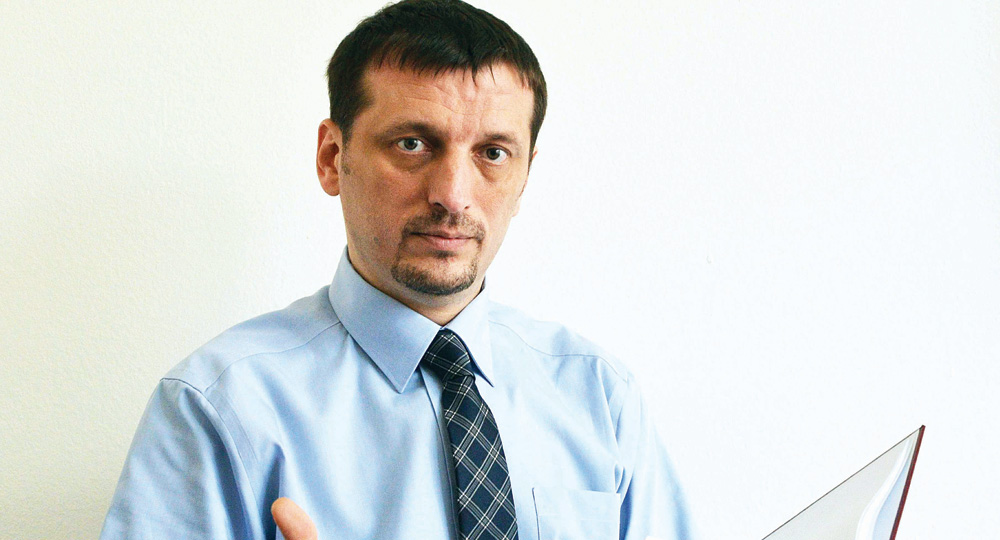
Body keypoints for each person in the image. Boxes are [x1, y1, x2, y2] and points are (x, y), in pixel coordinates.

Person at [99, 1, 691, 539]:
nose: (453, 195)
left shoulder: (601, 398)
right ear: (333, 158)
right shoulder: (218, 407)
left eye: (492, 153)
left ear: (525, 176)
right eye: (413, 144)